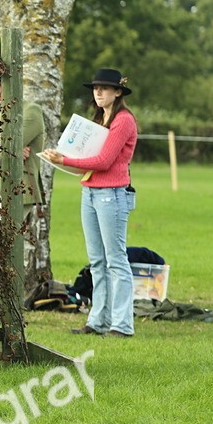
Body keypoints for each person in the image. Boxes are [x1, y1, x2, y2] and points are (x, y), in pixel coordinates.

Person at [42, 68, 138, 338]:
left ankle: (122, 324)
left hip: (112, 194)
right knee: (97, 261)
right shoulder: (100, 118)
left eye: (105, 88)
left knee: (116, 260)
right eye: (96, 88)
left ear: (117, 92)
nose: (98, 92)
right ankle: (98, 321)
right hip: (91, 192)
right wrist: (63, 155)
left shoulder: (123, 120)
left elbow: (104, 161)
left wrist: (64, 160)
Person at [0, 71, 47, 275]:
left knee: (7, 246)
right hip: (0, 187)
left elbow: (4, 146)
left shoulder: (31, 111)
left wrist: (10, 148)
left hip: (21, 190)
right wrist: (9, 149)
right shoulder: (1, 114)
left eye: (0, 85)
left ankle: (11, 296)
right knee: (0, 246)